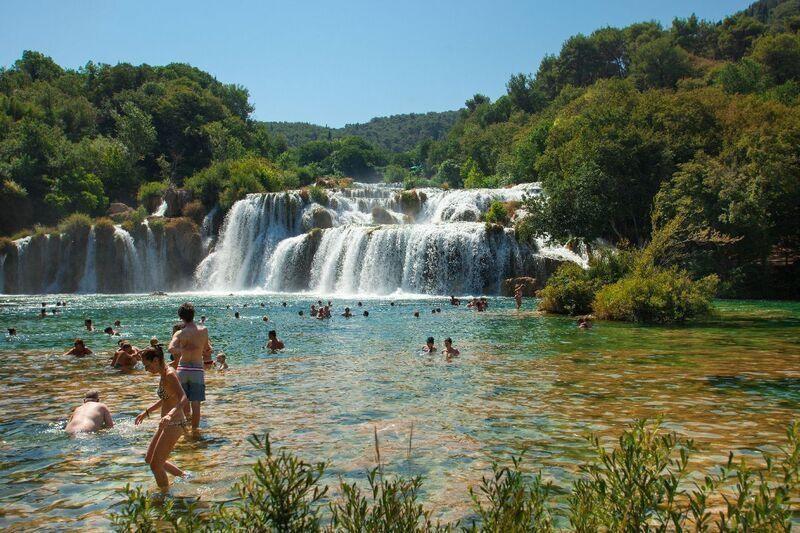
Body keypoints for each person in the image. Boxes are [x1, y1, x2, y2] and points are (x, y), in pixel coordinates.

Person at [135, 345, 188, 491]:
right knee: (150, 459)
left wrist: (170, 414)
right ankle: (184, 476)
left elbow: (184, 398)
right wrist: (146, 412)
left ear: (156, 360)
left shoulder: (170, 374)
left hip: (175, 423)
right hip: (165, 424)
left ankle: (165, 496)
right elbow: (166, 398)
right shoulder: (163, 374)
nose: (146, 369)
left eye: (147, 365)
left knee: (156, 465)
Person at [168, 302, 212, 433]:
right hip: (197, 369)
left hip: (183, 368)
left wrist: (183, 349)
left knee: (183, 402)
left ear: (181, 317)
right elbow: (207, 348)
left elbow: (170, 349)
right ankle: (195, 431)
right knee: (196, 404)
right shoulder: (203, 330)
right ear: (193, 315)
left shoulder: (179, 333)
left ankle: (184, 431)